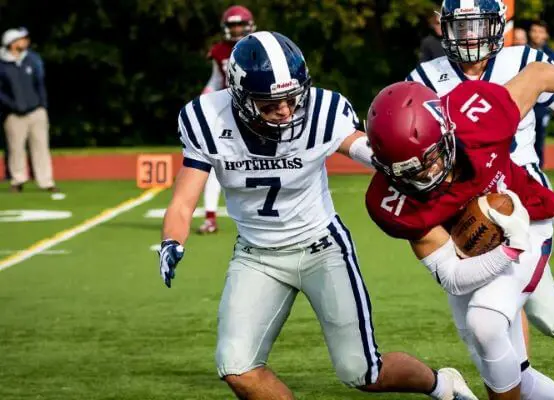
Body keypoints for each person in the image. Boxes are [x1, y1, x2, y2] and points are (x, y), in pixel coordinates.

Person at [157, 31, 477, 400]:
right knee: (237, 368)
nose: (286, 111)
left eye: (293, 98)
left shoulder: (322, 113)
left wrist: (397, 159)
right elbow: (183, 201)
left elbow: (366, 149)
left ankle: (441, 384)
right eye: (270, 103)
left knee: (362, 372)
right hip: (256, 255)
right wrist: (171, 240)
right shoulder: (207, 118)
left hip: (321, 248)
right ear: (240, 96)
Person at [366, 63, 554, 399]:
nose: (428, 173)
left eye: (432, 157)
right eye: (411, 170)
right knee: (517, 365)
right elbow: (451, 274)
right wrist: (508, 249)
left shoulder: (478, 115)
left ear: (447, 131)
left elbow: (539, 74)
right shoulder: (391, 203)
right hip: (469, 252)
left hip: (528, 219)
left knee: (486, 322)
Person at [406, 0, 554, 342]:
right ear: (445, 27)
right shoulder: (426, 77)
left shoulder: (521, 61)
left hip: (520, 196)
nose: (470, 37)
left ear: (498, 25)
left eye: (479, 26)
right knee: (500, 316)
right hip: (462, 204)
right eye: (461, 27)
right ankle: (516, 381)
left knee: (531, 313)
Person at [195, 5, 255, 234]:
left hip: (260, 112)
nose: (237, 28)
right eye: (233, 25)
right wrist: (204, 101)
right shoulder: (219, 50)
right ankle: (210, 217)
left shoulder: (260, 45)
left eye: (240, 24)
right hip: (229, 113)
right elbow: (216, 80)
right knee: (212, 163)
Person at [1, 27, 54, 193]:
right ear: (11, 43)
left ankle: (46, 181)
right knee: (16, 149)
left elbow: (40, 83)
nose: (25, 41)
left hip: (36, 111)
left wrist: (42, 105)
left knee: (41, 147)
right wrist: (10, 105)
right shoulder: (2, 64)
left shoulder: (32, 59)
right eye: (21, 39)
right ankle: (17, 180)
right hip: (14, 114)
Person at [527, 20, 554, 168]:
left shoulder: (551, 55)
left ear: (546, 35)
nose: (537, 35)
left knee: (539, 135)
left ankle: (539, 166)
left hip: (542, 104)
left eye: (540, 31)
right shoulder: (522, 52)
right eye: (534, 31)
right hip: (525, 101)